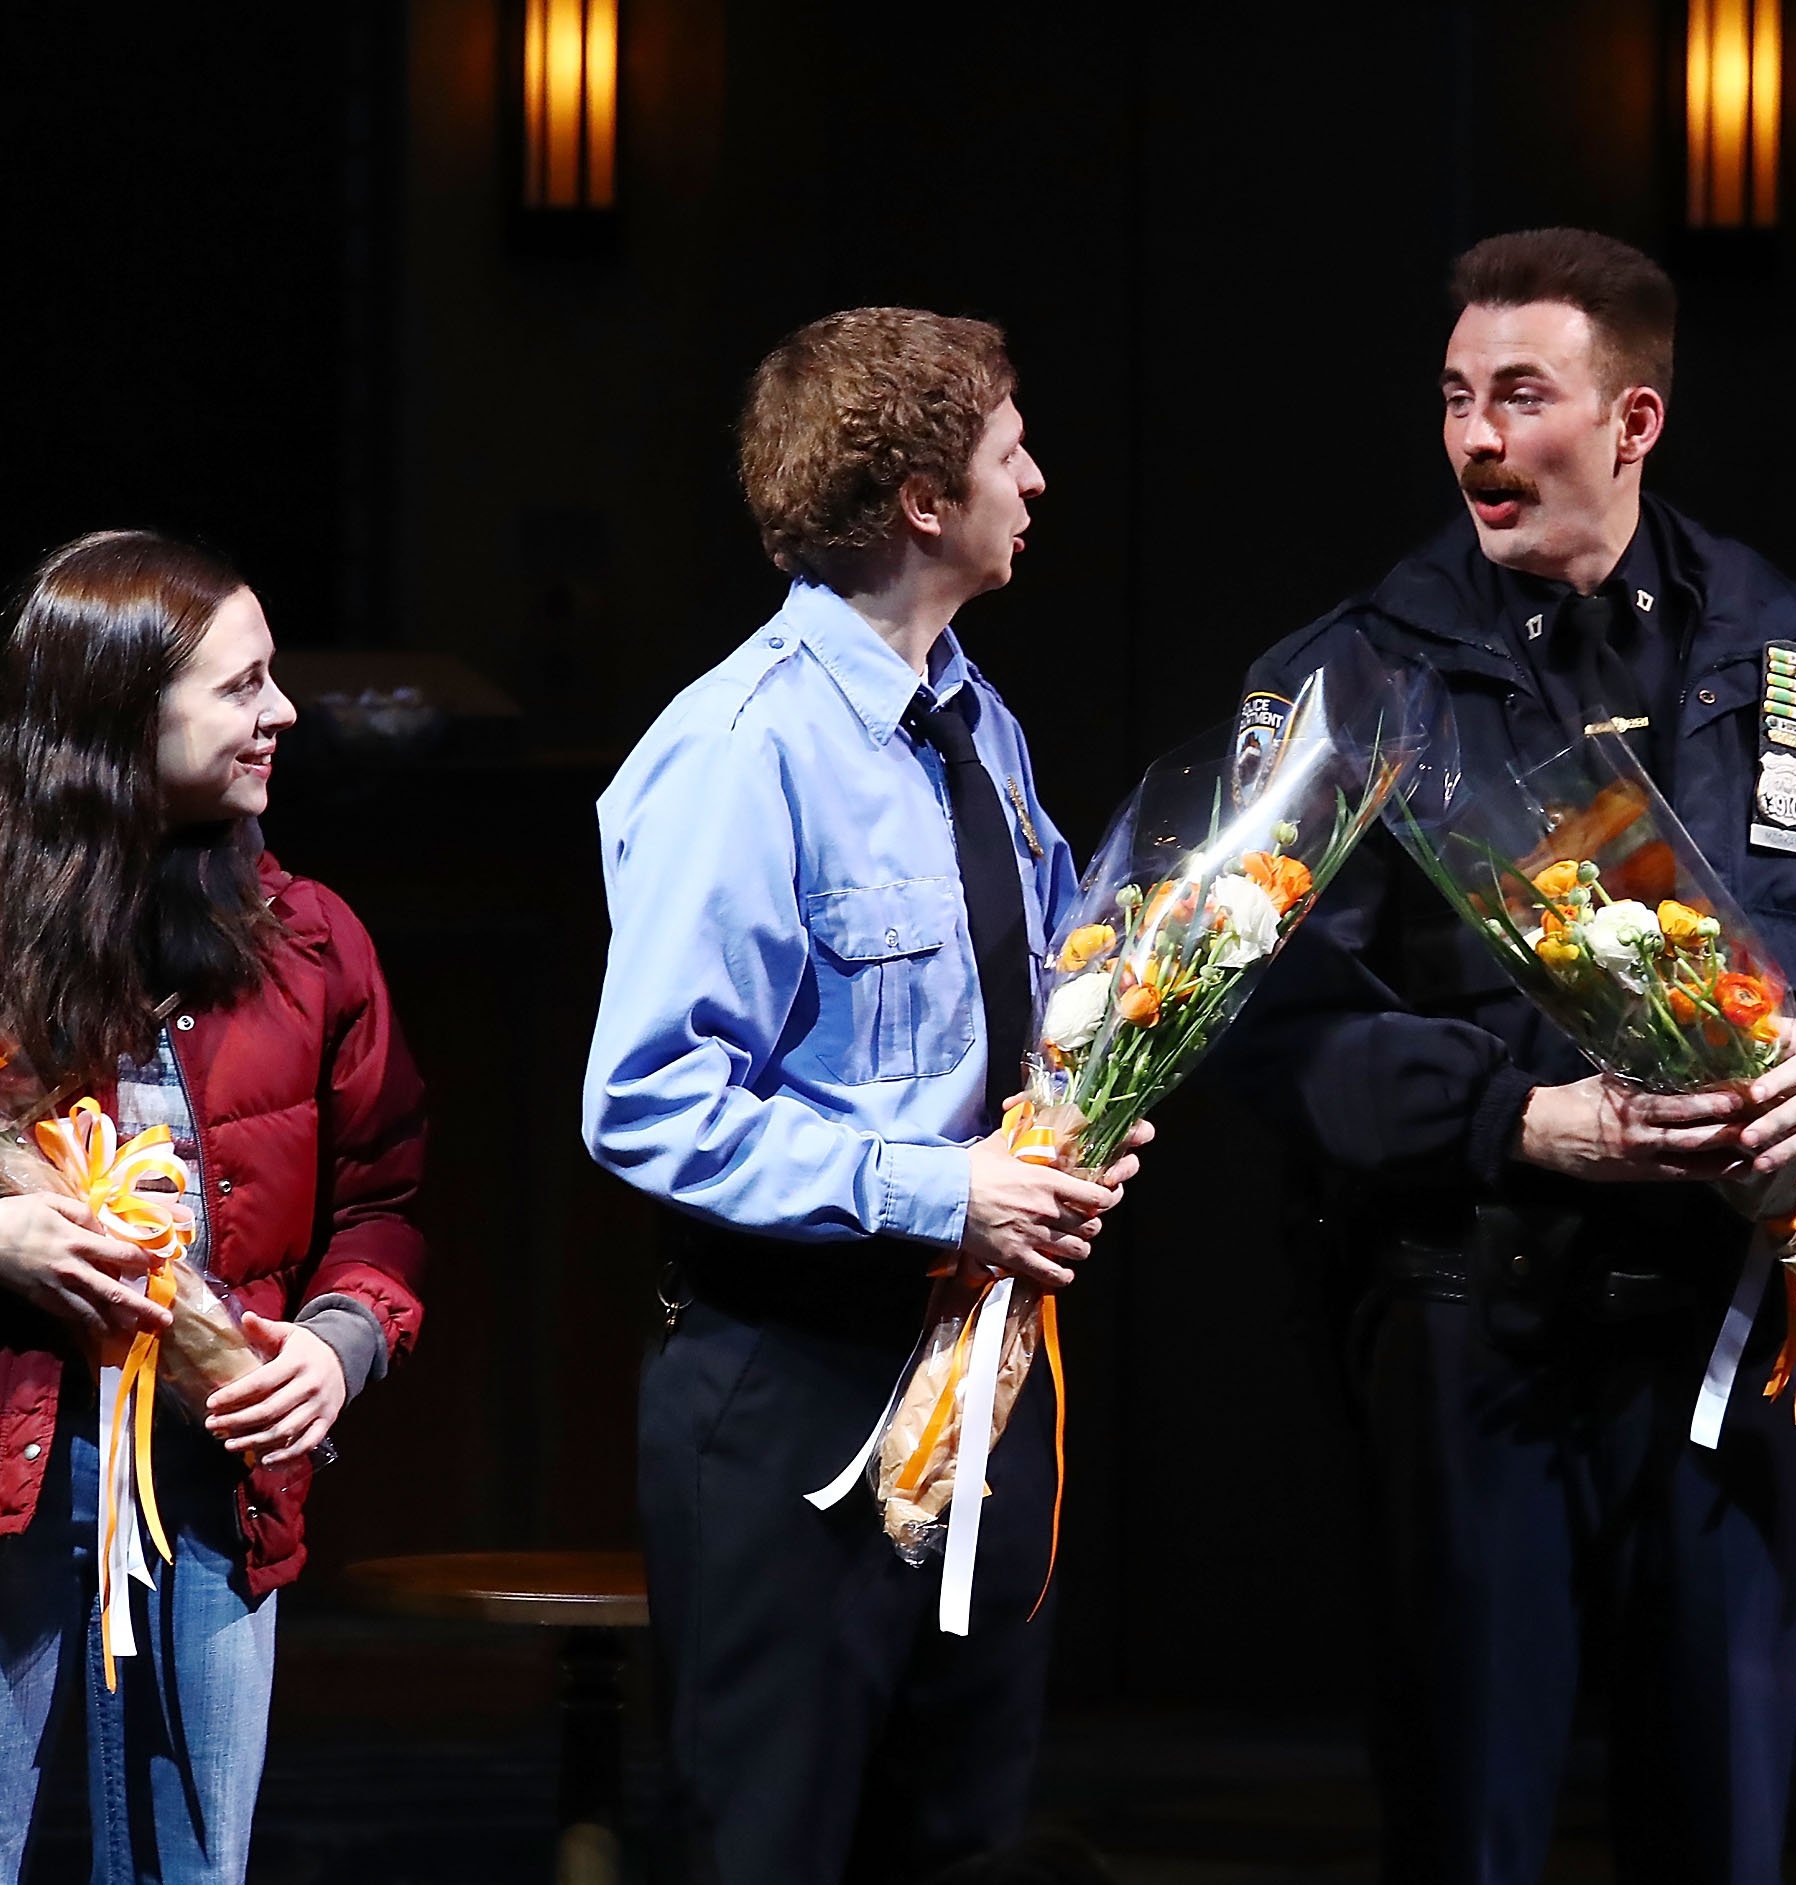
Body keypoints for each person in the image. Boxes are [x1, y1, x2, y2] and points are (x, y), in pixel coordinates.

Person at [1230, 228, 1796, 1882]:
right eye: (1453, 398)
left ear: (1634, 422)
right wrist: (1522, 1121)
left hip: (1740, 1333)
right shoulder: (1358, 676)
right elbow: (1272, 1026)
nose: (1475, 439)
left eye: (1521, 396)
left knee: (1721, 1825)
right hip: (1472, 1325)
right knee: (1470, 1822)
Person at [0, 530, 429, 1884]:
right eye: (243, 685)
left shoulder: (312, 937)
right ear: (118, 713)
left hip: (213, 1479)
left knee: (192, 1871)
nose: (282, 711)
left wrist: (337, 1348)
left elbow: (382, 1202)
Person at [584, 307, 1148, 1885]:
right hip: (796, 1386)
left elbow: (1021, 1000)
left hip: (977, 1368)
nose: (1034, 476)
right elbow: (648, 1098)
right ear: (919, 495)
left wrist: (1078, 1110)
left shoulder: (980, 723)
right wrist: (944, 1186)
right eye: (1007, 446)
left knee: (959, 1840)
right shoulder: (742, 747)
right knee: (773, 1845)